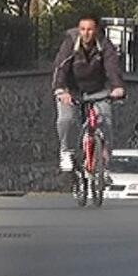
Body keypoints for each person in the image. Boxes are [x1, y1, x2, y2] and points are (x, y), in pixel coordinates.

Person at [52, 15, 126, 172]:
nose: (86, 33)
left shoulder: (104, 44)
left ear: (96, 31)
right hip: (72, 91)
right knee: (66, 119)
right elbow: (61, 67)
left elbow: (112, 66)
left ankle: (105, 160)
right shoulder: (70, 43)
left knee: (105, 121)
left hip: (97, 91)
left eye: (90, 29)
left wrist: (117, 87)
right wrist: (61, 90)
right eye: (83, 29)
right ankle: (66, 151)